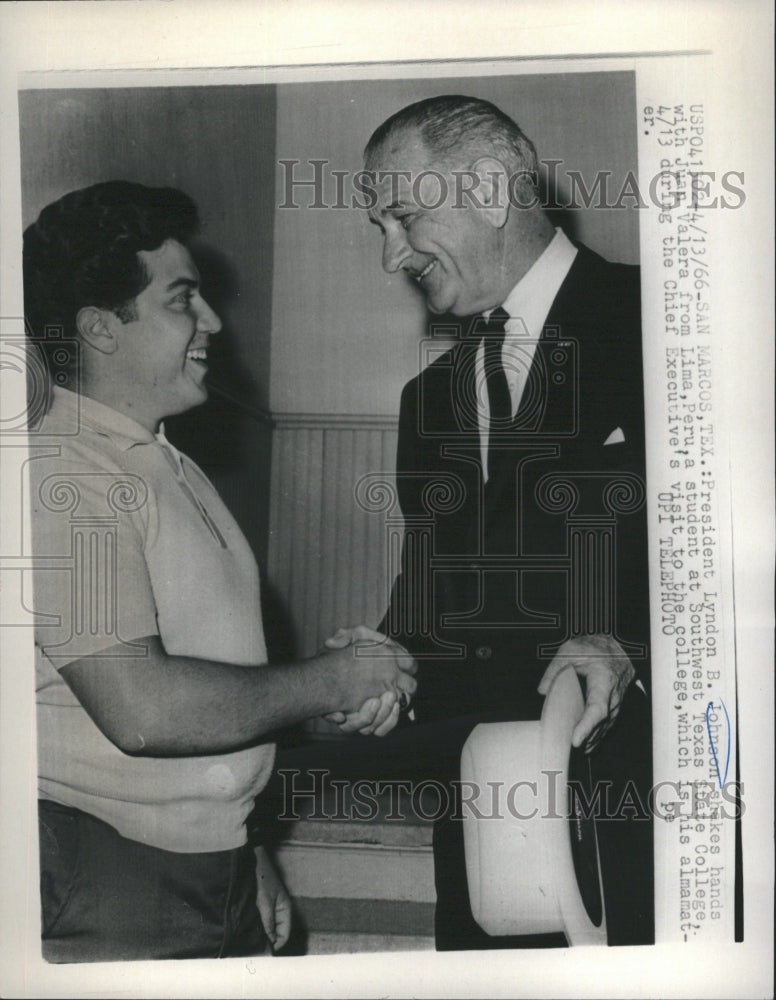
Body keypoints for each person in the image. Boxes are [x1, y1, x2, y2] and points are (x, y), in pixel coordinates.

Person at [24, 180, 416, 964]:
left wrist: (245, 850)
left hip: (207, 868)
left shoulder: (164, 460)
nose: (213, 322)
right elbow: (144, 710)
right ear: (102, 328)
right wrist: (328, 681)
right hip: (112, 879)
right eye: (182, 302)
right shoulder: (63, 471)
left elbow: (211, 701)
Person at [333, 95, 653, 950]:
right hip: (483, 834)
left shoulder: (669, 325)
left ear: (486, 185)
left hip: (650, 816)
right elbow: (429, 609)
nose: (390, 255)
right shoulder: (426, 400)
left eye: (401, 216)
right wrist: (377, 673)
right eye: (379, 228)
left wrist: (631, 648)